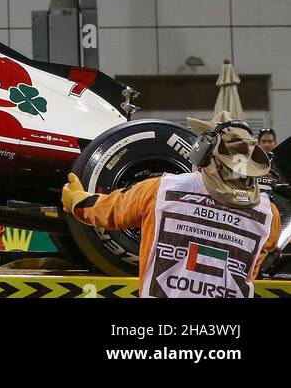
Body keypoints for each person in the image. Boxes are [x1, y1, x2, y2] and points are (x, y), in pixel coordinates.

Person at [62, 111, 281, 298]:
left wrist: (79, 202)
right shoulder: (268, 214)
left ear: (203, 153)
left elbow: (111, 211)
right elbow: (255, 265)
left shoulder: (162, 190)